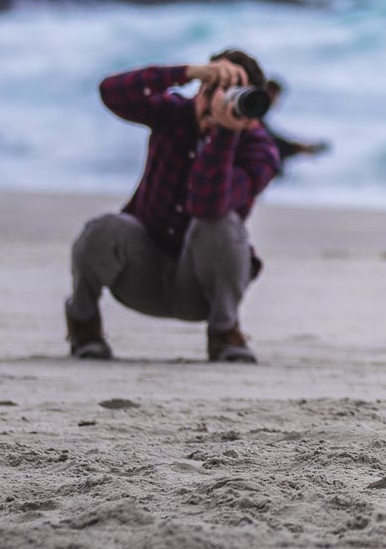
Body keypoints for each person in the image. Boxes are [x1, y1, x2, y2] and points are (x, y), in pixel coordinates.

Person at [65, 49, 282, 364]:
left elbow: (208, 205)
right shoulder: (174, 115)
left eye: (234, 96)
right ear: (199, 92)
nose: (219, 104)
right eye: (212, 92)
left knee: (221, 224)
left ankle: (224, 332)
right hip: (140, 272)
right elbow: (111, 91)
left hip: (200, 289)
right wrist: (190, 72)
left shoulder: (260, 151)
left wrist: (224, 136)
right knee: (105, 228)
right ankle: (84, 324)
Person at [260, 78, 332, 170]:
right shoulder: (253, 118)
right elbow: (270, 140)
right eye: (275, 96)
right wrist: (299, 148)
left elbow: (269, 136)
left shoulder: (257, 118)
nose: (275, 101)